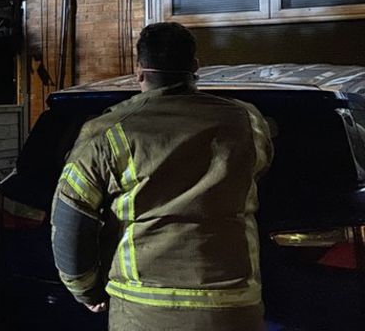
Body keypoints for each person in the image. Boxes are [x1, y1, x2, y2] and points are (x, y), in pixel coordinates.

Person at [50, 22, 274, 330]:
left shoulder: (108, 132)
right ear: (195, 67)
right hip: (231, 306)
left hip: (143, 310)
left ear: (140, 71)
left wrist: (84, 288)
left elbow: (71, 219)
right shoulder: (247, 120)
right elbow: (258, 168)